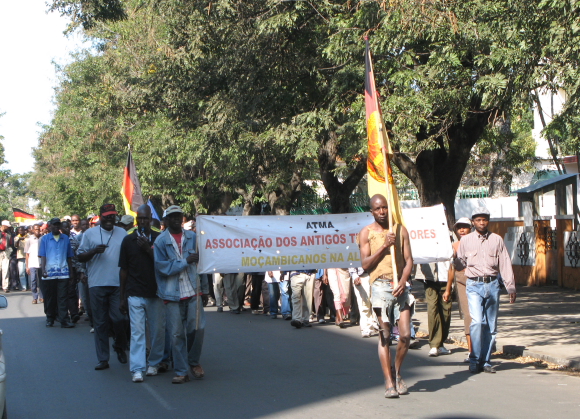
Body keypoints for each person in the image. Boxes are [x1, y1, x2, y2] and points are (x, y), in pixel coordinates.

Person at [359, 194, 413, 398]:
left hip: (400, 286)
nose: (382, 212)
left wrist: (403, 280)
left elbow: (409, 260)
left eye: (384, 208)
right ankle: (388, 381)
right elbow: (365, 265)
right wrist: (384, 246)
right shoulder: (366, 233)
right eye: (377, 209)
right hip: (380, 286)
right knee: (385, 335)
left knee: (405, 335)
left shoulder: (400, 230)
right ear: (371, 211)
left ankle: (397, 372)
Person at [454, 207, 516, 374]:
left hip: (493, 284)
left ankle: (486, 360)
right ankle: (474, 358)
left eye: (484, 219)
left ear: (488, 221)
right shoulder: (466, 241)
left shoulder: (496, 240)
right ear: (473, 222)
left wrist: (510, 286)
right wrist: (452, 259)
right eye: (478, 220)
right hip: (473, 285)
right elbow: (460, 263)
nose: (482, 223)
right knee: (477, 322)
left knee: (491, 325)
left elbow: (505, 263)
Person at [154, 205, 208, 384]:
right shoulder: (161, 242)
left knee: (198, 329)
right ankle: (181, 370)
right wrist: (185, 262)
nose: (176, 219)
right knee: (176, 334)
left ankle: (193, 361)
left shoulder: (193, 237)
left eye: (179, 216)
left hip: (193, 290)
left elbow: (202, 265)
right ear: (166, 221)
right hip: (171, 294)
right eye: (172, 217)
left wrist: (205, 290)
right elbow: (163, 268)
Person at [78, 204, 128, 370]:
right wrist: (93, 251)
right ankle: (103, 359)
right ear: (100, 216)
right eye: (106, 216)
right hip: (97, 284)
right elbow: (80, 256)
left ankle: (120, 345)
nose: (109, 219)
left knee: (120, 319)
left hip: (117, 284)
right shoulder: (89, 233)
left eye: (112, 216)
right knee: (100, 323)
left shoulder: (122, 233)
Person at [119, 205, 166, 383]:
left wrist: (148, 249)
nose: (143, 222)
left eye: (146, 218)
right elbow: (123, 270)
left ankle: (153, 363)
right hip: (134, 293)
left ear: (150, 219)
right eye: (140, 219)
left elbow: (163, 264)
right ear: (136, 220)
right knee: (137, 332)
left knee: (157, 331)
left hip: (156, 293)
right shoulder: (128, 241)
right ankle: (137, 369)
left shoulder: (159, 239)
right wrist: (122, 297)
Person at [38, 218, 75, 328]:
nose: (56, 227)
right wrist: (43, 269)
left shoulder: (65, 238)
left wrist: (71, 272)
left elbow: (69, 256)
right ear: (49, 226)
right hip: (49, 272)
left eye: (57, 225)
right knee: (51, 297)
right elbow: (43, 255)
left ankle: (64, 319)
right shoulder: (45, 239)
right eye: (54, 225)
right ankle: (50, 318)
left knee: (63, 297)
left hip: (63, 271)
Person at [445, 217, 473, 362]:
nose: (462, 230)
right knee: (468, 316)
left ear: (471, 228)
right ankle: (471, 350)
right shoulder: (454, 246)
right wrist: (448, 289)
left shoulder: (478, 243)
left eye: (465, 227)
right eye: (459, 227)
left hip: (479, 282)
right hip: (462, 282)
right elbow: (452, 269)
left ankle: (483, 349)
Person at [414, 261, 452, 357]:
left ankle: (440, 343)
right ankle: (434, 345)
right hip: (430, 278)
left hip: (446, 279)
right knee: (432, 310)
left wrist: (449, 288)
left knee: (446, 312)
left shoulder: (449, 245)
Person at [59, 220, 81, 323]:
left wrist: (78, 270)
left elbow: (77, 255)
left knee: (72, 291)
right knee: (63, 292)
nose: (66, 229)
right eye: (64, 227)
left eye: (68, 227)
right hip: (60, 269)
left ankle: (74, 313)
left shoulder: (74, 239)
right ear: (61, 229)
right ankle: (62, 314)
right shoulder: (58, 240)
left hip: (72, 269)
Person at [350, 267, 379, 338]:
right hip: (362, 276)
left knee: (377, 302)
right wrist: (355, 276)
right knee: (364, 304)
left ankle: (374, 323)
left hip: (376, 275)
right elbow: (351, 261)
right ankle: (365, 328)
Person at [24, 224, 44, 304]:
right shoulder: (29, 240)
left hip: (41, 264)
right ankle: (34, 297)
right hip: (32, 264)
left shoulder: (43, 238)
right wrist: (27, 266)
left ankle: (42, 296)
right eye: (35, 229)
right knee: (33, 281)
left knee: (42, 281)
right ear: (32, 230)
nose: (37, 231)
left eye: (38, 229)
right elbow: (27, 254)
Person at [0, 220, 13, 292]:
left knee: (5, 270)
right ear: (3, 226)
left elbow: (10, 244)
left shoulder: (8, 234)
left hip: (6, 252)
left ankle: (5, 286)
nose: (8, 228)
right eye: (7, 226)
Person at [14, 227, 28, 291]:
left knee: (29, 272)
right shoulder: (16, 237)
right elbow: (15, 245)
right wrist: (19, 239)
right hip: (20, 256)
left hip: (28, 256)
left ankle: (30, 286)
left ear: (24, 231)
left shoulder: (28, 237)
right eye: (19, 231)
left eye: (21, 230)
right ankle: (24, 287)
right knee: (21, 272)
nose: (20, 232)